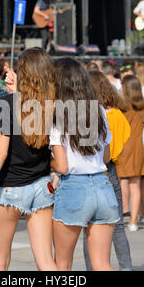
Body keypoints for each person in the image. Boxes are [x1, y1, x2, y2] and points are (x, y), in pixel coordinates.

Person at [0, 48, 58, 271]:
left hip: (11, 187)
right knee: (46, 261)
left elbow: (0, 154)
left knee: (0, 259)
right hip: (42, 185)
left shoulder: (9, 103)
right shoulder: (52, 104)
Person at [49, 58, 118, 271]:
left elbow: (61, 166)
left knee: (62, 264)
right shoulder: (99, 111)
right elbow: (106, 157)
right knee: (102, 264)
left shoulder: (58, 114)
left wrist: (46, 161)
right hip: (103, 187)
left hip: (73, 189)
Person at [86, 70, 133, 271]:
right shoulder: (118, 115)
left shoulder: (87, 114)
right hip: (111, 170)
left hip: (89, 171)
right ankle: (126, 267)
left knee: (88, 230)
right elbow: (122, 142)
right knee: (118, 227)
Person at [117, 76, 144, 232]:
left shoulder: (122, 105)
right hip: (139, 147)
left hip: (123, 145)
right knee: (136, 184)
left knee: (123, 182)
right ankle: (134, 221)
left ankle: (124, 213)